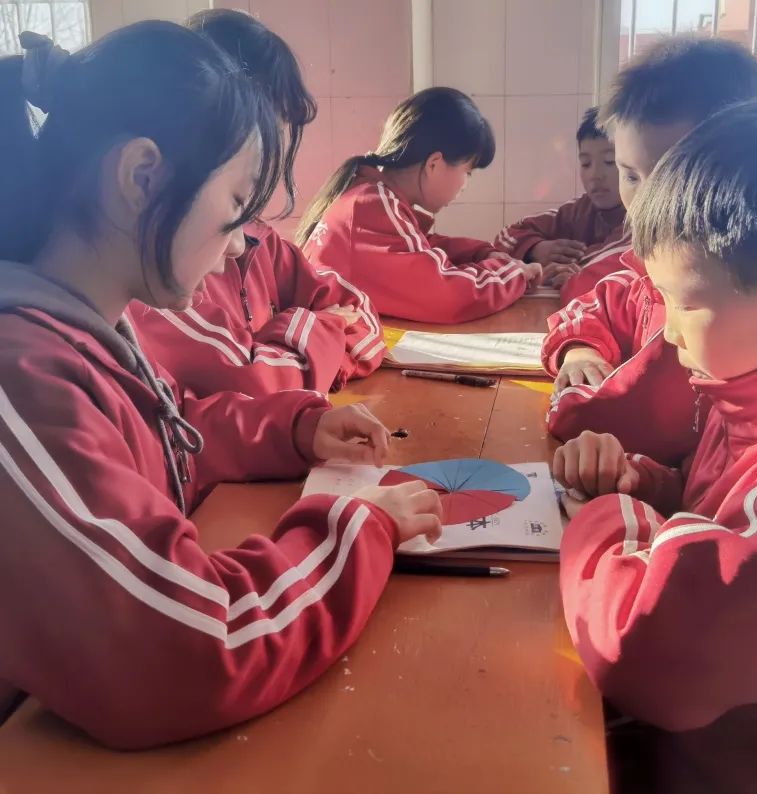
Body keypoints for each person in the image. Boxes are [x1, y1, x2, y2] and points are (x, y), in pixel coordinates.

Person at [0, 23, 441, 748]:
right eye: (235, 203)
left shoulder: (90, 330)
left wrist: (294, 428)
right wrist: (357, 528)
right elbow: (190, 649)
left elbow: (165, 433)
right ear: (142, 177)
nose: (240, 243)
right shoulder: (20, 375)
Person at [555, 99, 757, 794]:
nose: (669, 333)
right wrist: (646, 484)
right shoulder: (743, 391)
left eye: (684, 305)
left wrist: (608, 516)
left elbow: (642, 647)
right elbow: (718, 511)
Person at [129, 9, 385, 396]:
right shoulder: (158, 272)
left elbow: (360, 316)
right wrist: (321, 330)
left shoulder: (255, 237)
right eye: (265, 125)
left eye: (276, 130)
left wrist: (295, 351)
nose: (269, 149)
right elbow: (255, 388)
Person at [541, 37, 757, 465]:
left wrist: (572, 396)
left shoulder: (710, 295)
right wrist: (581, 349)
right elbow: (600, 302)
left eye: (666, 179)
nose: (645, 204)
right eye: (630, 175)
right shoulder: (650, 265)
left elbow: (591, 419)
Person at [297, 87, 542, 324]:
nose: (465, 185)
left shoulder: (369, 195)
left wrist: (482, 254)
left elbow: (420, 249)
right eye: (468, 172)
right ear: (434, 163)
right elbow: (447, 295)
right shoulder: (373, 205)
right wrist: (512, 273)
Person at [495, 106, 629, 299]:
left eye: (609, 161)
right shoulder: (579, 211)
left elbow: (611, 263)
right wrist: (535, 249)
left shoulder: (643, 220)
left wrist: (574, 276)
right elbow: (504, 237)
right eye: (586, 163)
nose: (595, 175)